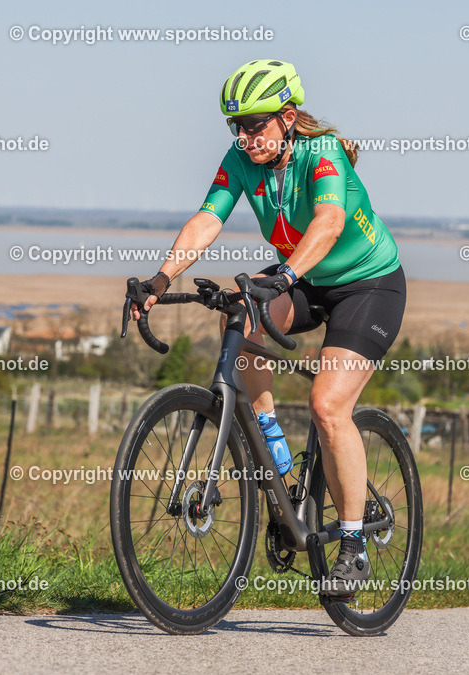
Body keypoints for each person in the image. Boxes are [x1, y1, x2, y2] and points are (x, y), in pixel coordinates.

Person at [130, 59, 406, 598]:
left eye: (256, 124)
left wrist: (282, 276)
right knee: (241, 323)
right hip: (299, 275)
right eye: (236, 125)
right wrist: (162, 278)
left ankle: (353, 545)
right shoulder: (242, 159)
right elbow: (208, 218)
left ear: (287, 116)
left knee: (329, 406)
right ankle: (272, 439)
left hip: (367, 285)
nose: (245, 136)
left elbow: (327, 223)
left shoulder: (320, 153)